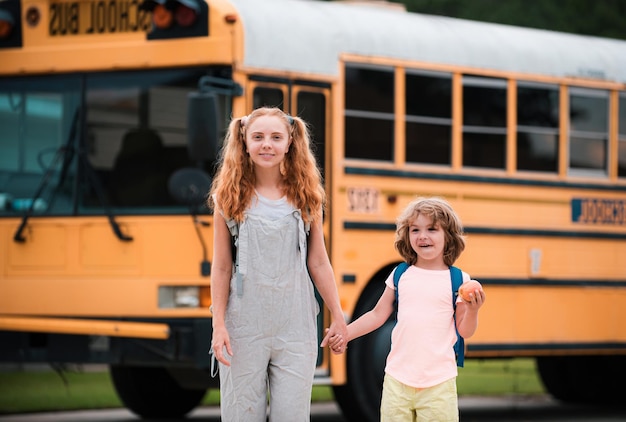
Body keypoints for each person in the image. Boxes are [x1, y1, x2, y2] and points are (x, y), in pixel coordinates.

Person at [208, 107, 348, 421]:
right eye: (257, 137)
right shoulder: (227, 199)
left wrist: (338, 315)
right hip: (242, 326)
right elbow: (221, 267)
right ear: (244, 142)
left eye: (275, 137)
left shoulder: (308, 198)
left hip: (295, 326)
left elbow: (319, 262)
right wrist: (219, 326)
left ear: (290, 144)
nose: (266, 144)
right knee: (241, 414)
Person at [324, 197, 486, 421]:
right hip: (397, 381)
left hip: (438, 384)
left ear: (448, 236)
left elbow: (464, 331)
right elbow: (377, 314)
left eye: (432, 229)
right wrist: (345, 333)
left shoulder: (458, 279)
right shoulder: (401, 274)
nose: (422, 236)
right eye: (415, 230)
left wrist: (473, 311)